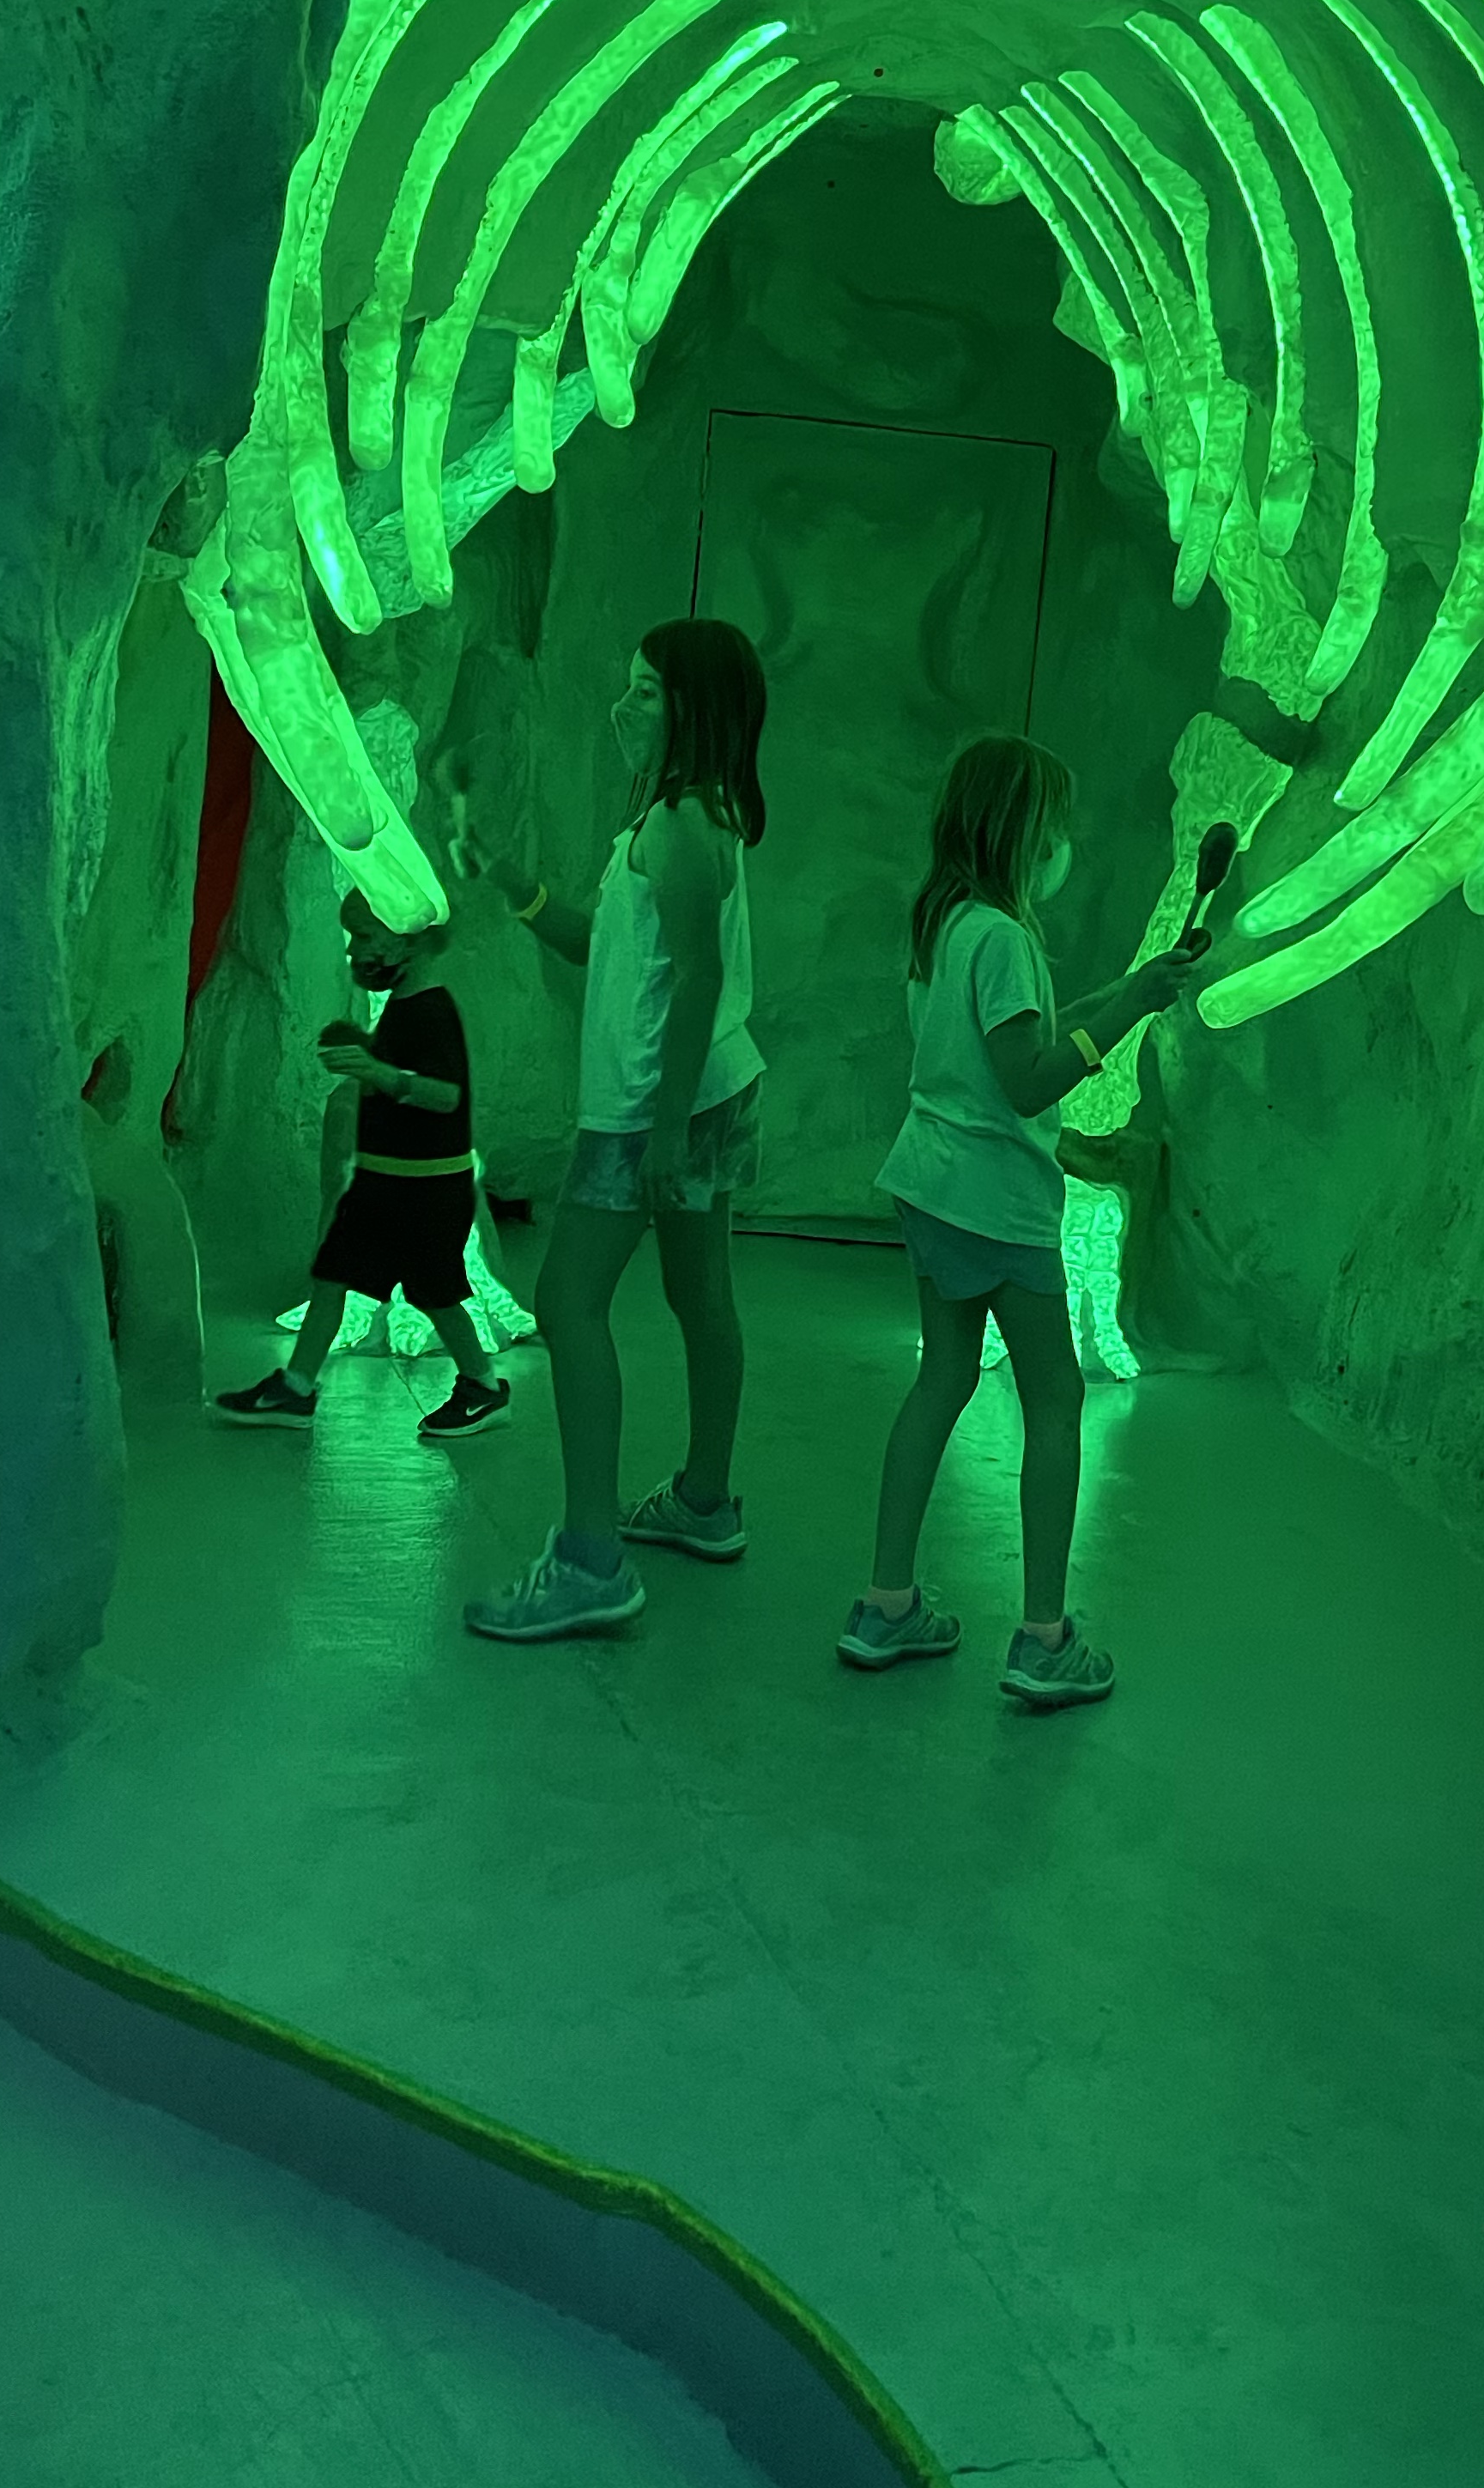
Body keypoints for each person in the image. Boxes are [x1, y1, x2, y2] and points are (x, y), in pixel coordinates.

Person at [841, 735, 1205, 1708]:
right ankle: (1044, 1638)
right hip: (996, 1203)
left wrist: (1127, 989)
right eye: (1056, 825)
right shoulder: (1003, 938)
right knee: (1054, 1399)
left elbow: (1018, 1033)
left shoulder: (948, 924)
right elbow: (1030, 1077)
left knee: (943, 1378)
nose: (1063, 843)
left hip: (930, 1182)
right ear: (1019, 831)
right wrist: (1125, 1015)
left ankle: (884, 1604)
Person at [456, 618, 768, 1640]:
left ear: (692, 710)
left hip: (649, 1107)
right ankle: (706, 1500)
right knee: (699, 1291)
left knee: (565, 1298)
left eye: (645, 692)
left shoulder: (678, 825)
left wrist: (662, 1129)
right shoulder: (684, 816)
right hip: (709, 1089)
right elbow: (612, 945)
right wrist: (515, 885)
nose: (621, 707)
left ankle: (592, 1559)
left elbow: (698, 979)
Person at [215, 891, 510, 1439]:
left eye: (366, 937)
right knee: (332, 1277)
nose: (355, 951)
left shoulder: (432, 1011)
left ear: (407, 942)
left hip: (424, 1189)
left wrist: (377, 1072)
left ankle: (483, 1385)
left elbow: (445, 1095)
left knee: (437, 1294)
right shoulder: (403, 1007)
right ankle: (296, 1386)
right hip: (383, 1183)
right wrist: (364, 1054)